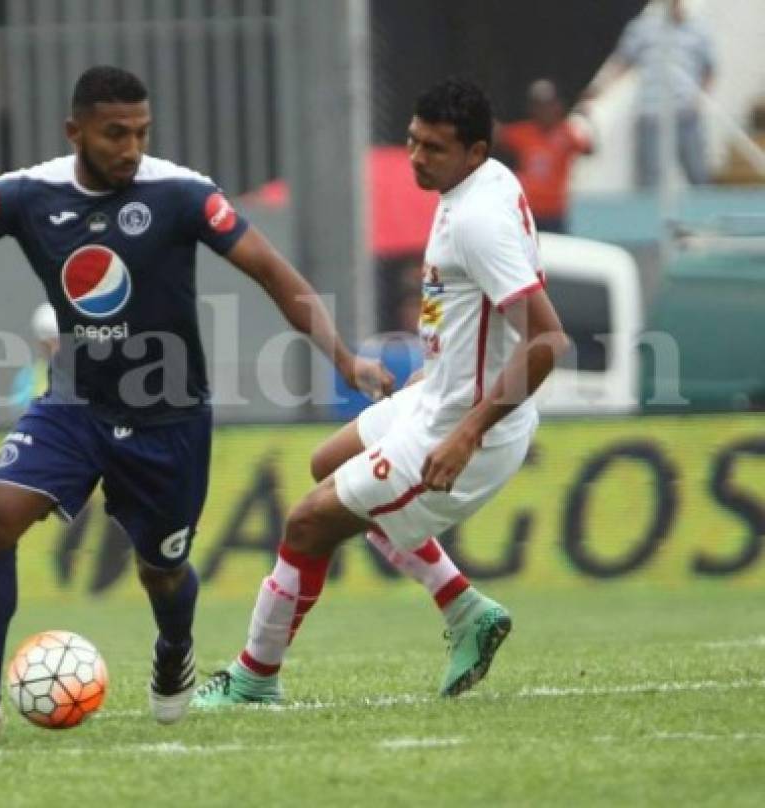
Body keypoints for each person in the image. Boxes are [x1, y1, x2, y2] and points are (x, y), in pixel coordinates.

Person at [0, 66, 395, 739]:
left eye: (141, 133)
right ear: (76, 132)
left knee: (161, 569)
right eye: (115, 133)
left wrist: (344, 357)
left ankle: (174, 649)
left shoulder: (182, 194)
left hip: (168, 415)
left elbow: (273, 272)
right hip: (76, 401)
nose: (130, 147)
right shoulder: (24, 196)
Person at [192, 78, 571, 708]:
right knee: (327, 465)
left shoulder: (478, 219)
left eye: (435, 149)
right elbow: (480, 312)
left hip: (467, 429)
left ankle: (255, 675)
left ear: (475, 152)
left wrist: (466, 433)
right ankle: (463, 608)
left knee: (309, 522)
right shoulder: (481, 184)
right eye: (413, 142)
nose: (418, 158)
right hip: (442, 397)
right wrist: (445, 365)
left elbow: (548, 341)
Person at [585, 0, 715, 188]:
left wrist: (699, 100)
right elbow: (622, 63)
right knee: (649, 180)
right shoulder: (643, 28)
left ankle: (704, 215)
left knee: (698, 175)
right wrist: (598, 89)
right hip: (651, 113)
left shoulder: (698, 29)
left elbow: (710, 69)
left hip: (685, 113)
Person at [497, 79, 593, 233]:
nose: (544, 111)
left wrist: (587, 116)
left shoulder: (567, 133)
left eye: (548, 105)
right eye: (539, 106)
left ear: (557, 106)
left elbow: (588, 149)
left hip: (555, 212)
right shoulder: (524, 132)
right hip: (528, 211)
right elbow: (497, 134)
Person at [8, 303, 59, 412]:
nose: (56, 348)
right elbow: (21, 415)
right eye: (50, 342)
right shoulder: (27, 377)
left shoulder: (85, 375)